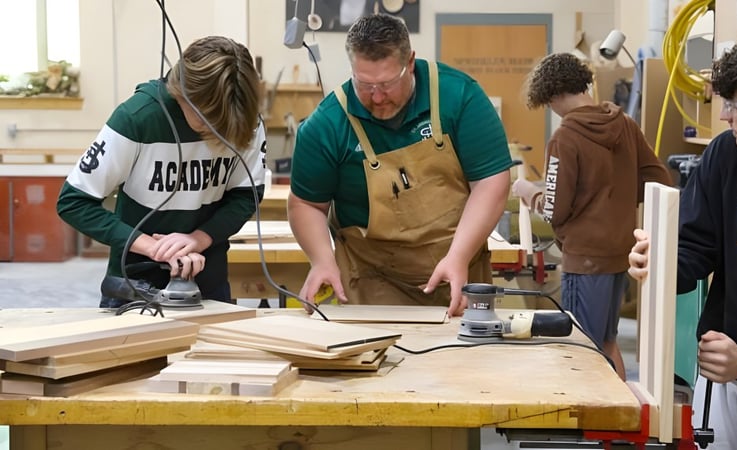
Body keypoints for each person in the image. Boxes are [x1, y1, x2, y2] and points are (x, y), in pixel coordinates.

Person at [628, 30, 737, 448]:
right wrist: (661, 263)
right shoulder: (726, 155)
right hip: (723, 369)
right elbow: (695, 247)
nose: (723, 116)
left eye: (734, 104)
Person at [287, 13, 512, 317]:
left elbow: (490, 181)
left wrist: (458, 256)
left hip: (457, 271)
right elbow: (306, 204)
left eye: (388, 83)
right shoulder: (325, 125)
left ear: (410, 63)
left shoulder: (459, 97)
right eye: (364, 84)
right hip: (371, 282)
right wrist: (321, 260)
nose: (378, 97)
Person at [57, 36, 266, 308]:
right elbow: (73, 202)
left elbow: (246, 195)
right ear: (183, 93)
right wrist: (155, 248)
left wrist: (198, 239)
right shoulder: (138, 118)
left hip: (208, 276)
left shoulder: (245, 119)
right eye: (207, 118)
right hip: (134, 283)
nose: (217, 128)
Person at [515, 52, 671, 379]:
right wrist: (618, 198)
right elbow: (659, 180)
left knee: (584, 349)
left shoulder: (565, 137)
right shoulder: (624, 124)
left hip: (585, 259)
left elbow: (555, 209)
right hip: (619, 254)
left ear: (555, 94)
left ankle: (593, 427)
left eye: (548, 103)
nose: (552, 111)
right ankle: (619, 426)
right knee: (608, 341)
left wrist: (529, 193)